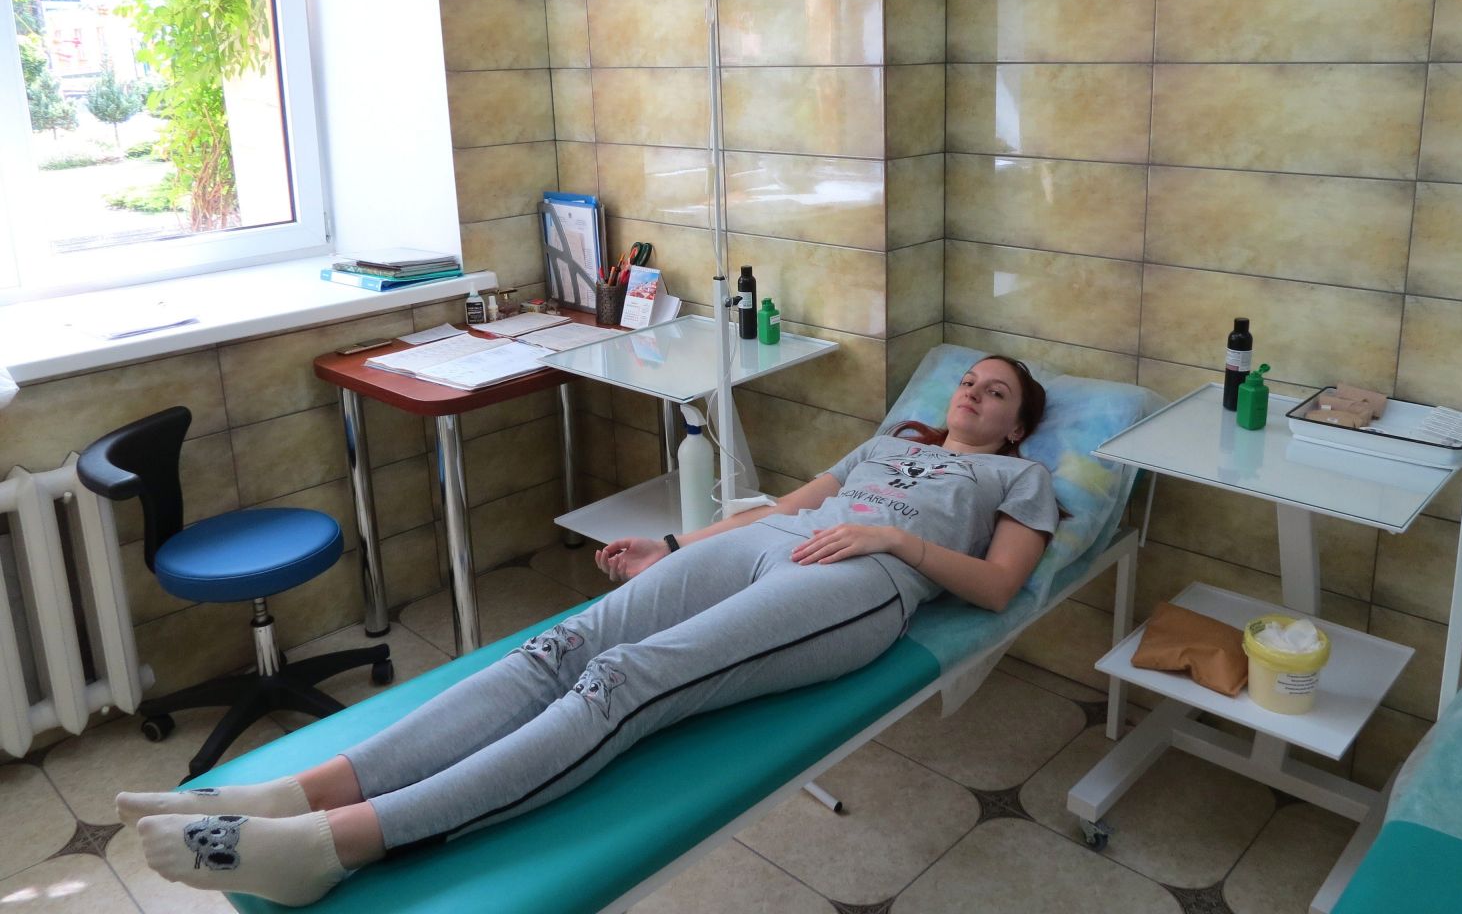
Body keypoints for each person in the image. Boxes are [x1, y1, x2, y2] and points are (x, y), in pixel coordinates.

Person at [120, 355, 1057, 907]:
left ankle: (340, 845)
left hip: (866, 580)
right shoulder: (887, 443)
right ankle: (297, 793)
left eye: (996, 394)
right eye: (969, 382)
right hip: (774, 540)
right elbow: (783, 506)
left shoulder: (1020, 480)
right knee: (562, 646)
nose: (972, 394)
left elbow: (998, 586)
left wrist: (896, 540)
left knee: (627, 679)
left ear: (1018, 429)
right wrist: (670, 544)